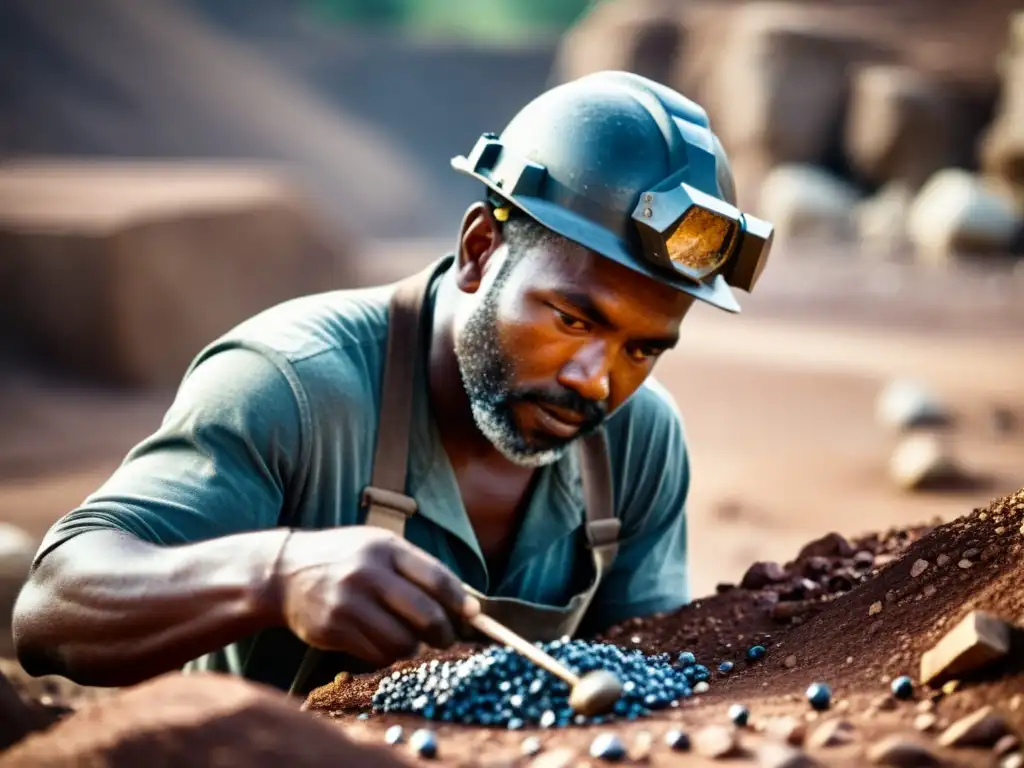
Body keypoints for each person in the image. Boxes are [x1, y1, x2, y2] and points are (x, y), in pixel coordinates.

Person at [12, 71, 773, 695]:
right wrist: (278, 574)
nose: (597, 381)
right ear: (479, 251)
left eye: (644, 349)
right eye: (573, 321)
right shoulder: (293, 387)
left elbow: (642, 671)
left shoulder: (638, 442)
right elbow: (51, 614)